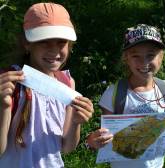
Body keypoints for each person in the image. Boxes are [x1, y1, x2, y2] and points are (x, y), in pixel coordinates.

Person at [86, 24, 165, 168]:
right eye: (135, 56)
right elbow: (104, 137)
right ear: (126, 58)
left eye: (150, 55)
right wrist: (94, 141)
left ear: (161, 57)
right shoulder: (114, 93)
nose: (144, 62)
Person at [0, 2, 94, 168]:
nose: (54, 50)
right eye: (44, 42)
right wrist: (4, 107)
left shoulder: (67, 83)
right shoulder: (8, 83)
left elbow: (66, 148)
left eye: (61, 42)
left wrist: (76, 123)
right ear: (27, 43)